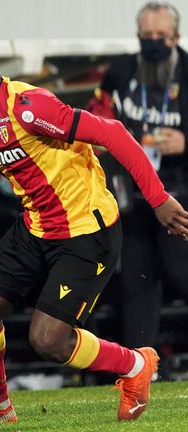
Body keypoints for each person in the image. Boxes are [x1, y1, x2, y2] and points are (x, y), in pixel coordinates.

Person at [0, 34, 188, 425]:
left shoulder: (29, 107)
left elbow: (113, 133)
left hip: (86, 232)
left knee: (48, 341)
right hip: (36, 227)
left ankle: (136, 363)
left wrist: (158, 199)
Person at [89, 2, 188, 351]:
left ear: (176, 36)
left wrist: (185, 142)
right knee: (135, 281)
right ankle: (141, 367)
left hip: (179, 192)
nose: (154, 42)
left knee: (181, 273)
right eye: (147, 36)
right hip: (133, 193)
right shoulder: (121, 70)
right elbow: (97, 120)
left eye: (162, 36)